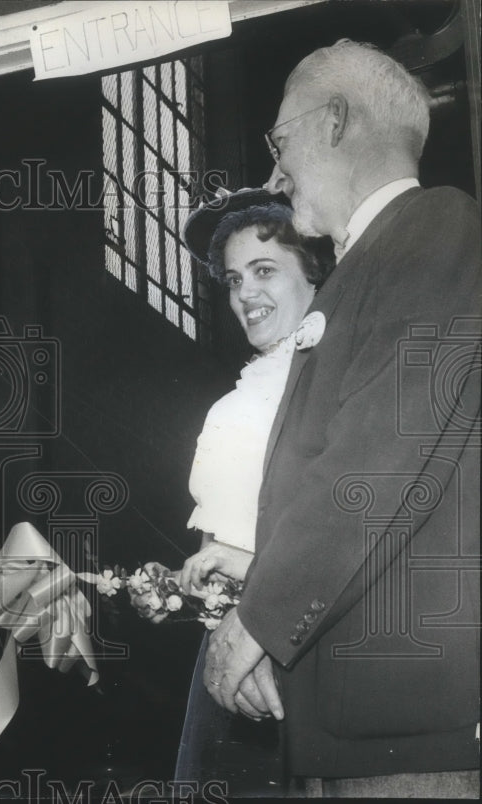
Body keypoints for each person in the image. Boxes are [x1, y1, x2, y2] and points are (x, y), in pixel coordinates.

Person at [204, 40, 480, 797]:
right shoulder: (364, 269)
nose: (271, 171)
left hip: (410, 731)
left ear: (333, 122)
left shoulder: (440, 228)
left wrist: (257, 620)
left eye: (278, 140)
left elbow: (376, 454)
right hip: (346, 725)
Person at [172, 190, 333, 793]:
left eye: (265, 271)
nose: (245, 294)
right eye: (235, 279)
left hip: (301, 641)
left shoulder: (336, 380)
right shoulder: (234, 402)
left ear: (312, 271)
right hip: (228, 644)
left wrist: (259, 605)